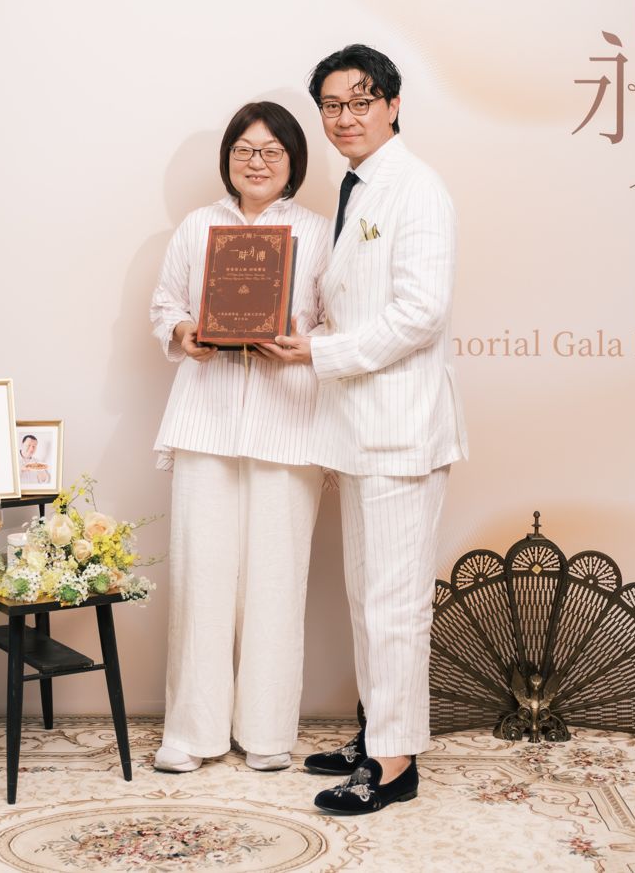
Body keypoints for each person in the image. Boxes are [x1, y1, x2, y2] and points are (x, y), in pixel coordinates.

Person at [260, 45, 467, 814]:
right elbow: (356, 301)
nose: (345, 117)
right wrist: (307, 333)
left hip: (401, 430)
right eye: (332, 105)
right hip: (358, 428)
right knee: (367, 599)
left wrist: (321, 352)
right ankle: (377, 731)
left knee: (394, 605)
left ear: (393, 105)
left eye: (360, 101)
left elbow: (420, 314)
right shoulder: (359, 184)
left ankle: (394, 764)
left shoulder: (417, 188)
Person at [149, 100, 330, 774]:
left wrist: (306, 345)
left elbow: (340, 321)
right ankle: (191, 732)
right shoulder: (198, 227)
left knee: (276, 581)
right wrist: (183, 332)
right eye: (244, 150)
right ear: (228, 158)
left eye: (271, 151)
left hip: (290, 423)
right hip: (206, 417)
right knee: (201, 578)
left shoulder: (320, 234)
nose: (257, 162)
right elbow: (165, 304)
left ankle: (267, 731)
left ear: (292, 161)